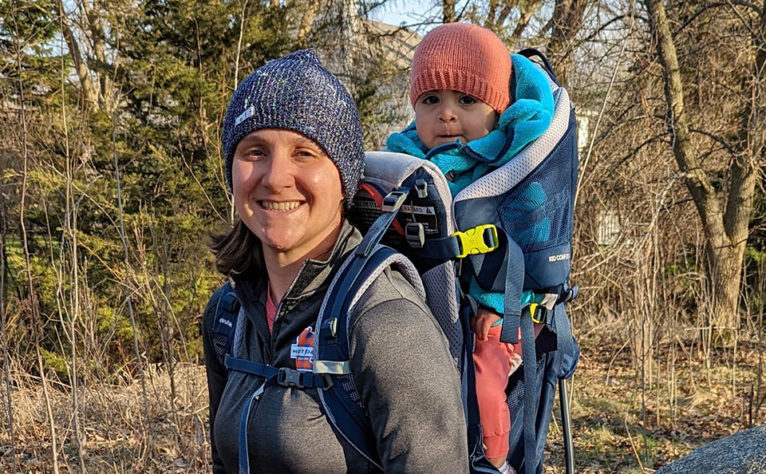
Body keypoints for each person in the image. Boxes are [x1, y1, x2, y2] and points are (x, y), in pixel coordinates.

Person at [201, 49, 468, 473]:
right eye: (255, 152)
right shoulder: (228, 316)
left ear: (343, 178)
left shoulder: (386, 320)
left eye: (304, 153)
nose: (274, 178)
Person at [385, 23, 554, 474]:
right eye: (430, 100)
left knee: (485, 376)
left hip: (504, 313)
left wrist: (500, 305)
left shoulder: (510, 167)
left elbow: (530, 251)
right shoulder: (405, 162)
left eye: (467, 100)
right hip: (434, 308)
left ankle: (492, 459)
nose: (446, 114)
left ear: (497, 111)